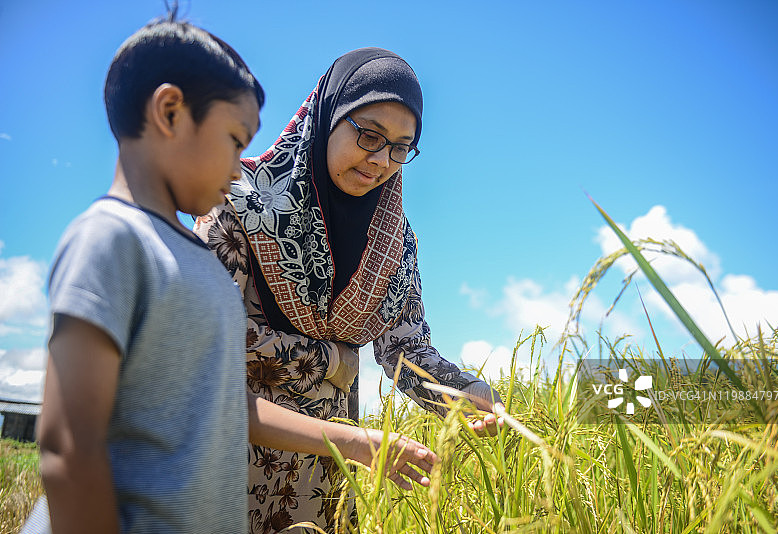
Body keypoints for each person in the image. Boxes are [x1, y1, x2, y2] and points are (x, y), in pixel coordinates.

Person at [26, 17, 436, 534]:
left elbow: (221, 404)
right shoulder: (112, 240)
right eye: (233, 139)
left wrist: (356, 440)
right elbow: (68, 445)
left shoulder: (194, 262)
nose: (243, 167)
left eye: (401, 148)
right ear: (170, 112)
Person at [194, 47, 502, 533]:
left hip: (321, 480)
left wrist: (466, 394)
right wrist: (333, 370)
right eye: (369, 135)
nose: (381, 160)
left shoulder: (393, 242)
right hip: (228, 456)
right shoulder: (236, 201)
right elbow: (201, 364)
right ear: (327, 117)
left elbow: (406, 351)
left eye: (402, 147)